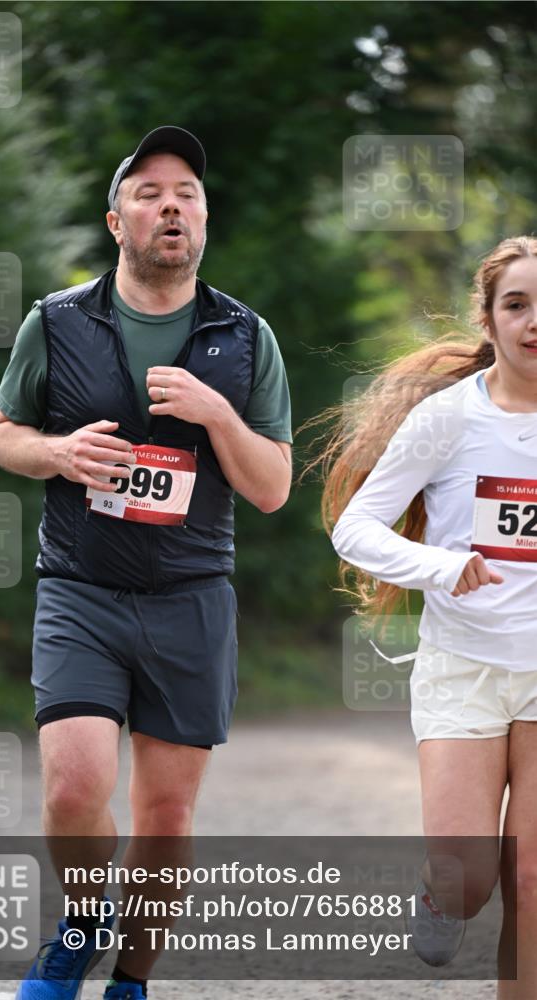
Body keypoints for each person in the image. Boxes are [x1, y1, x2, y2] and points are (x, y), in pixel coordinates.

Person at [0, 125, 292, 1000]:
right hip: (79, 589)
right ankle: (83, 920)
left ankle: (129, 981)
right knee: (75, 784)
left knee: (164, 816)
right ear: (115, 219)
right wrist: (57, 454)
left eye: (187, 194)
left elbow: (271, 487)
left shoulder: (243, 336)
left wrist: (216, 415)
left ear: (203, 221)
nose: (171, 205)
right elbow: (2, 434)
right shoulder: (54, 321)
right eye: (150, 192)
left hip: (190, 597)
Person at [306, 236, 536, 998]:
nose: (532, 321)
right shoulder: (446, 419)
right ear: (489, 317)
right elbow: (356, 528)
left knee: (532, 881)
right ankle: (444, 895)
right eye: (516, 304)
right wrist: (441, 567)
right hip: (462, 669)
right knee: (469, 876)